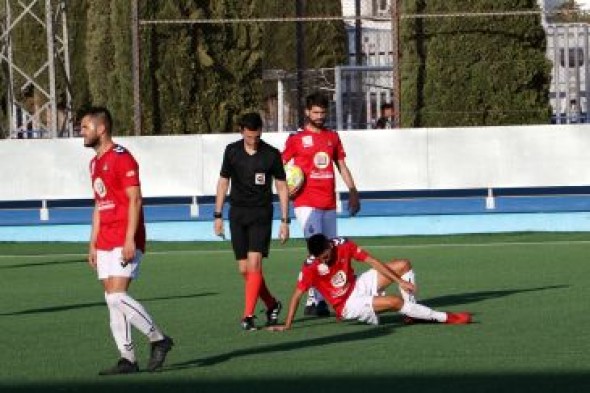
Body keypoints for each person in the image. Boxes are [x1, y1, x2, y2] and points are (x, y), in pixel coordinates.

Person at [80, 107, 173, 375]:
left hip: (124, 235)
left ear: (101, 128)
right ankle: (127, 359)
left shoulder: (122, 158)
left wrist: (130, 238)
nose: (81, 132)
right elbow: (99, 204)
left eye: (85, 127)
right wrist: (92, 243)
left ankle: (158, 338)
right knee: (111, 299)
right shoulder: (94, 163)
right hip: (105, 237)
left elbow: (135, 199)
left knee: (117, 297)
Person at [267, 234, 472, 330]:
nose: (323, 261)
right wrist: (286, 325)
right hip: (346, 306)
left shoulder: (343, 245)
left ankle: (412, 314)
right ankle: (444, 317)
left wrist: (400, 280)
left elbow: (372, 261)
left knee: (403, 264)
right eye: (319, 258)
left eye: (326, 256)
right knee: (394, 302)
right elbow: (296, 295)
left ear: (330, 245)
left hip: (357, 285)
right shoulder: (310, 266)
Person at [282, 91, 360, 317]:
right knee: (317, 248)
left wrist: (353, 192)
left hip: (328, 203)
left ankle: (322, 299)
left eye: (323, 113)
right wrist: (288, 184)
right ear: (307, 112)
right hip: (306, 203)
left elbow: (341, 166)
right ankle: (313, 300)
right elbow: (280, 166)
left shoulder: (332, 137)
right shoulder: (295, 139)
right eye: (315, 112)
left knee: (330, 250)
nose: (319, 116)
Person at [214, 112, 290, 331]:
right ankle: (272, 304)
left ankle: (247, 316)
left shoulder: (272, 155)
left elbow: (282, 187)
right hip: (237, 214)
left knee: (255, 264)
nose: (253, 141)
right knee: (244, 269)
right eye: (249, 137)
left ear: (261, 132)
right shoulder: (231, 151)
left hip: (261, 214)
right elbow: (222, 183)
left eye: (256, 137)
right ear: (241, 132)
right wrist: (217, 215)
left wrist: (285, 221)